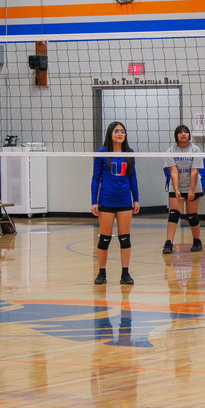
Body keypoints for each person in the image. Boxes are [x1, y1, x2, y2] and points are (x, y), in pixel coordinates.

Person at [91, 121, 140, 285]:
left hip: (125, 200)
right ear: (110, 133)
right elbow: (95, 178)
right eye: (117, 131)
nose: (120, 134)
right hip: (106, 200)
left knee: (125, 238)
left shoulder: (129, 153)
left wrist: (136, 198)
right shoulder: (102, 153)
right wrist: (93, 201)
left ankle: (125, 273)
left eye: (123, 131)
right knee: (104, 238)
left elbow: (132, 176)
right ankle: (101, 272)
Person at [162, 124, 203, 255]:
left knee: (192, 215)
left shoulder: (195, 150)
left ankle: (197, 241)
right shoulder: (170, 151)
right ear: (176, 136)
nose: (183, 134)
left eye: (185, 132)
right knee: (174, 214)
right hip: (176, 185)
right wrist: (176, 189)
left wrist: (191, 190)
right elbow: (173, 172)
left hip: (193, 185)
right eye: (180, 132)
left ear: (189, 135)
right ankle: (168, 243)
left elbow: (194, 171)